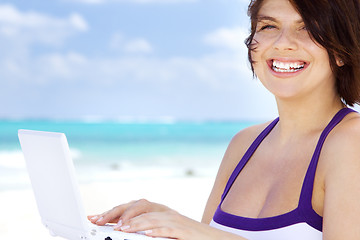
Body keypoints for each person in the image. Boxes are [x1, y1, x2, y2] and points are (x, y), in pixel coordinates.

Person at [88, 0, 360, 239]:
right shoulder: (243, 144)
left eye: (307, 28)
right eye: (268, 26)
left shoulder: (351, 141)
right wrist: (166, 223)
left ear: (340, 50)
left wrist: (199, 232)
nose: (282, 43)